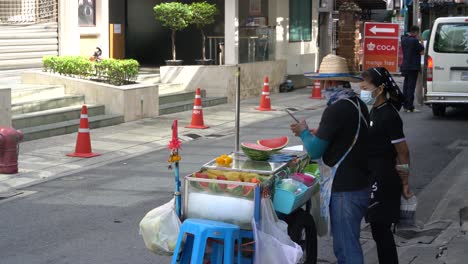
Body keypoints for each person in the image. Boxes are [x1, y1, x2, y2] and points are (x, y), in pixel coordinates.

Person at [293, 54, 370, 264]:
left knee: (346, 249)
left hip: (346, 189)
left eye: (323, 82)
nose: (322, 87)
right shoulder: (357, 104)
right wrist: (320, 132)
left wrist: (304, 132)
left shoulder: (335, 109)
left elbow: (315, 150)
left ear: (332, 82)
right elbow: (344, 134)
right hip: (360, 185)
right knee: (348, 244)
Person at [359, 67, 413, 264]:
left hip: (384, 179)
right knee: (378, 230)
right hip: (374, 176)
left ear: (380, 88)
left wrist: (405, 181)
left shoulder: (389, 115)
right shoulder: (375, 111)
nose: (362, 90)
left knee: (382, 231)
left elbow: (403, 151)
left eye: (365, 86)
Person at [401, 26, 425, 112]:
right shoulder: (415, 41)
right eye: (418, 33)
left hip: (405, 66)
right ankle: (410, 107)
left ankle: (405, 105)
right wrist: (421, 41)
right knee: (411, 87)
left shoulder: (404, 40)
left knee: (406, 86)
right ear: (416, 32)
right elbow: (422, 52)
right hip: (413, 67)